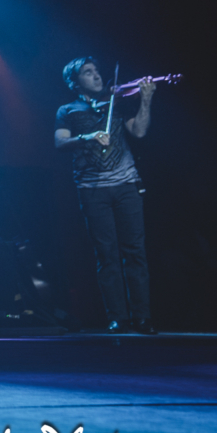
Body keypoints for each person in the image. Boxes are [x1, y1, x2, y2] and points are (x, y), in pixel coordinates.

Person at [55, 56, 156, 334]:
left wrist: (145, 100)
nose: (97, 76)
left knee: (135, 252)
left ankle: (143, 317)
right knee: (106, 254)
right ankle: (117, 317)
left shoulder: (117, 102)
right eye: (88, 73)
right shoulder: (68, 110)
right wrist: (86, 137)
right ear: (75, 83)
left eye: (97, 71)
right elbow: (59, 142)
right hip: (92, 190)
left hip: (126, 185)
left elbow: (139, 131)